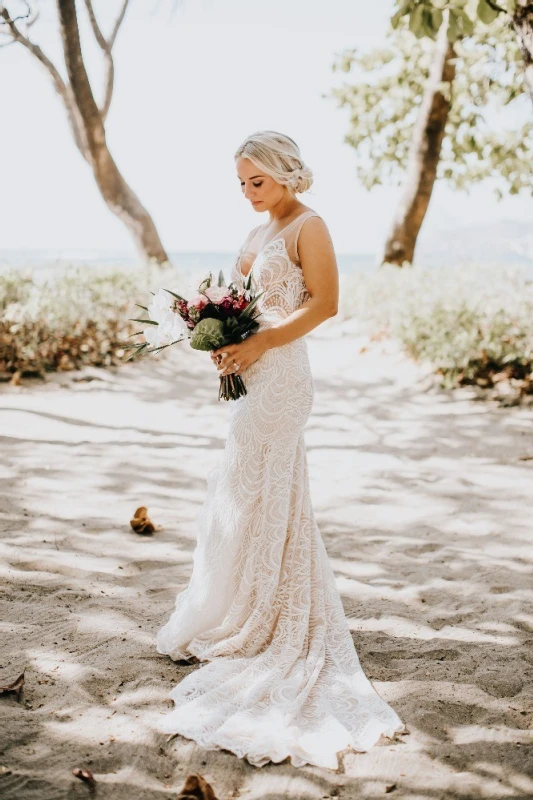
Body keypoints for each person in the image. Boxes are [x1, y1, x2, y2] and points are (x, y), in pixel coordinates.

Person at [156, 130, 404, 770]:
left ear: (285, 174)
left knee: (253, 487)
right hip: (254, 375)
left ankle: (269, 617)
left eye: (256, 181)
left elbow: (325, 305)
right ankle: (244, 607)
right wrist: (223, 337)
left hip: (285, 377)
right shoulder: (261, 228)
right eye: (239, 183)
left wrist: (261, 344)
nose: (247, 192)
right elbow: (247, 304)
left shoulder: (308, 226)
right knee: (247, 490)